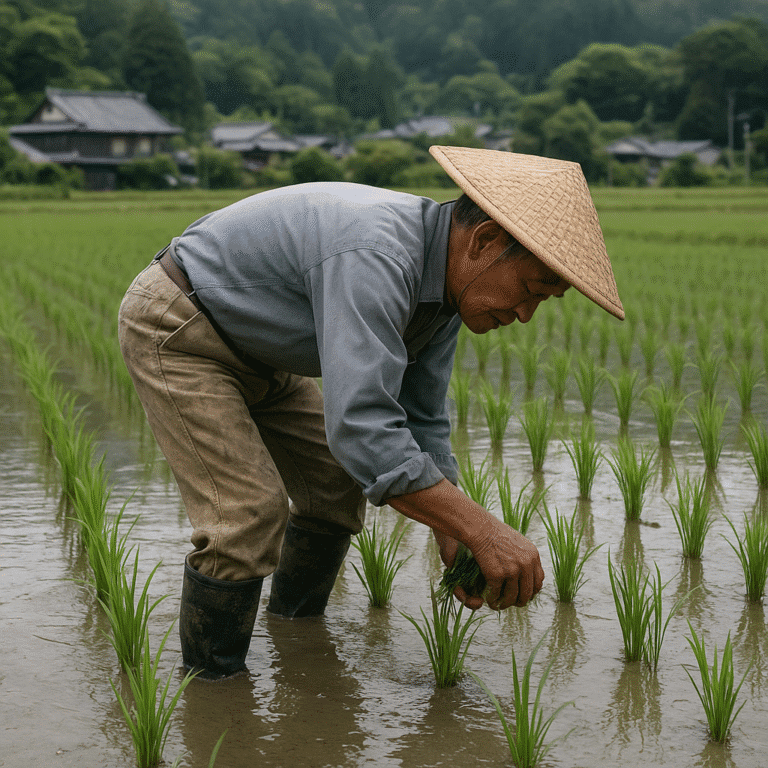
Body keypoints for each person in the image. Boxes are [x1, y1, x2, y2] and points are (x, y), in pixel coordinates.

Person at [118, 145, 624, 680]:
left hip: (261, 350)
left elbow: (420, 417)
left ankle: (294, 636)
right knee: (247, 514)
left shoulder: (447, 291)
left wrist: (450, 528)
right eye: (530, 289)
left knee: (334, 485)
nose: (525, 314)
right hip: (183, 327)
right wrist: (481, 529)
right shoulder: (379, 255)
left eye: (543, 302)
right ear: (483, 241)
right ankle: (215, 691)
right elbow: (362, 429)